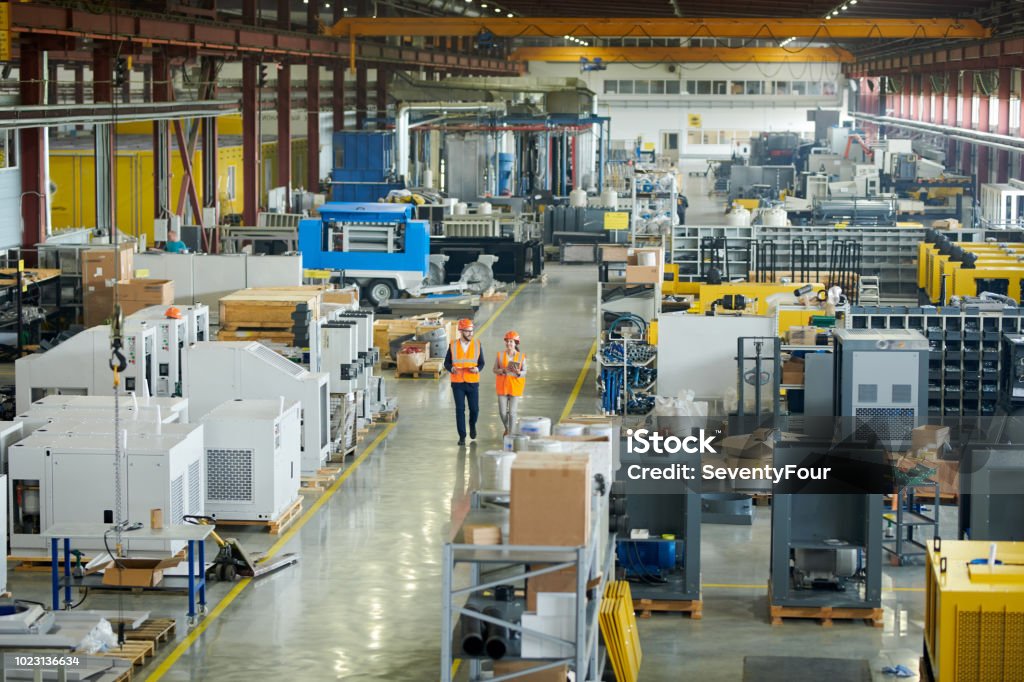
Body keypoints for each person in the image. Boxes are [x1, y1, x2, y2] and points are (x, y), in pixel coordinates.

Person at [443, 318, 484, 446]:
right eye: (468, 332)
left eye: (471, 331)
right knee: (460, 409)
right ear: (461, 332)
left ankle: (472, 425)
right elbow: (446, 363)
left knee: (475, 409)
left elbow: (482, 363)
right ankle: (462, 436)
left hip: (472, 382)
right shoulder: (453, 345)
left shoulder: (477, 344)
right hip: (458, 383)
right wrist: (452, 368)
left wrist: (477, 369)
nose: (471, 334)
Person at [493, 331, 526, 436]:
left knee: (512, 413)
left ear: (516, 343)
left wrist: (519, 372)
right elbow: (494, 369)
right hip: (502, 387)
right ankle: (507, 428)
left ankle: (511, 434)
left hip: (514, 387)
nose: (509, 344)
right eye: (507, 341)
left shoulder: (521, 356)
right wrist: (502, 370)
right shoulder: (500, 355)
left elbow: (525, 371)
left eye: (511, 341)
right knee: (502, 412)